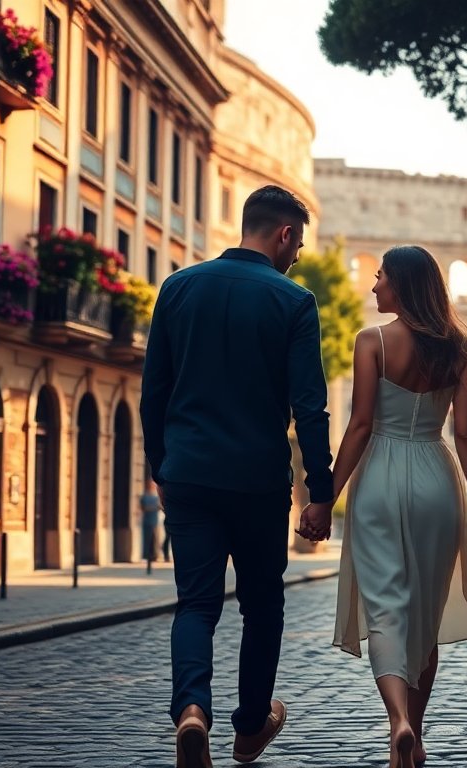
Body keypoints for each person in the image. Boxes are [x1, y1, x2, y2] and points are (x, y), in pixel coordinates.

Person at [141, 185, 334, 768]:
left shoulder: (177, 288)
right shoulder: (294, 302)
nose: (297, 255)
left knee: (195, 605)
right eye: (297, 243)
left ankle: (191, 711)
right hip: (256, 481)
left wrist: (161, 468)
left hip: (190, 477)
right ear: (283, 235)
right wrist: (320, 492)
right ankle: (250, 727)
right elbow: (310, 407)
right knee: (262, 606)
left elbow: (154, 393)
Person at [298, 245, 467, 768]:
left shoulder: (373, 342)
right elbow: (466, 435)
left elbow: (360, 426)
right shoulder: (459, 346)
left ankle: (398, 723)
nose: (373, 286)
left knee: (387, 608)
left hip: (381, 480)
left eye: (380, 276)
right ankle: (418, 728)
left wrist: (326, 498)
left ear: (403, 285)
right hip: (437, 477)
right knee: (426, 617)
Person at [141, 479, 162, 562]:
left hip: (155, 521)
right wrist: (154, 508)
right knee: (147, 539)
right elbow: (143, 508)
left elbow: (160, 507)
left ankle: (154, 555)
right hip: (147, 521)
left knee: (155, 539)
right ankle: (146, 555)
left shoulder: (156, 497)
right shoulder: (145, 497)